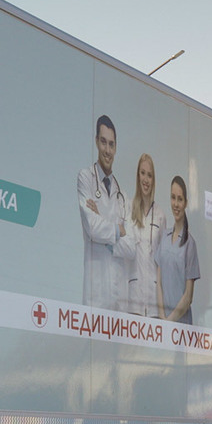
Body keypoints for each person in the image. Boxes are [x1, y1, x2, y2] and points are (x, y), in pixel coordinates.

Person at [77, 115, 133, 312]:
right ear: (96, 142)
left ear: (116, 147)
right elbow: (92, 228)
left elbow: (131, 248)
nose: (107, 150)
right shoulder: (86, 178)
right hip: (95, 295)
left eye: (111, 144)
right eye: (103, 142)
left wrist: (102, 222)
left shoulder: (123, 196)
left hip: (118, 296)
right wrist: (119, 229)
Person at [125, 154, 167, 318]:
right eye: (143, 173)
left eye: (149, 175)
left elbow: (163, 261)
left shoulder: (160, 216)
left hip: (154, 299)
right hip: (133, 298)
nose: (146, 179)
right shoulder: (128, 209)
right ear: (137, 176)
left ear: (153, 179)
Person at [158, 176, 201, 323]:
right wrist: (162, 317)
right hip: (164, 324)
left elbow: (188, 297)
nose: (175, 204)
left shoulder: (190, 244)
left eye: (180, 199)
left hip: (182, 326)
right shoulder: (164, 237)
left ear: (186, 203)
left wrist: (169, 321)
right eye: (173, 198)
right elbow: (159, 282)